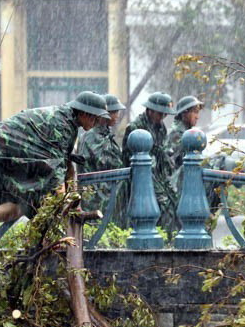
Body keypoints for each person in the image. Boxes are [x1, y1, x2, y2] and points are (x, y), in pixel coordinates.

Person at [0, 91, 109, 252]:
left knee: (22, 205)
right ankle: (43, 240)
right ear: (85, 113)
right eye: (95, 118)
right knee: (43, 198)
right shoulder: (61, 124)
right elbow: (56, 172)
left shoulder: (68, 123)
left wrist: (72, 198)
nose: (96, 123)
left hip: (7, 152)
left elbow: (67, 163)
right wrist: (65, 201)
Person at [121, 92, 179, 232]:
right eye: (160, 113)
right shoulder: (136, 128)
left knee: (175, 203)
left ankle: (168, 240)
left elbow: (162, 153)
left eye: (165, 114)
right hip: (140, 177)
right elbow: (129, 159)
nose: (163, 117)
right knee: (162, 207)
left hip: (158, 175)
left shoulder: (161, 128)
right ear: (150, 111)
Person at [77, 93, 125, 215]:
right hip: (95, 196)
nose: (117, 116)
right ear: (104, 114)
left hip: (105, 193)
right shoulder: (92, 136)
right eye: (114, 112)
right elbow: (108, 163)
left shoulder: (105, 135)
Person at [168, 95, 204, 171]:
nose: (197, 117)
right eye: (195, 112)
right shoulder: (177, 133)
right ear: (184, 113)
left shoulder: (186, 132)